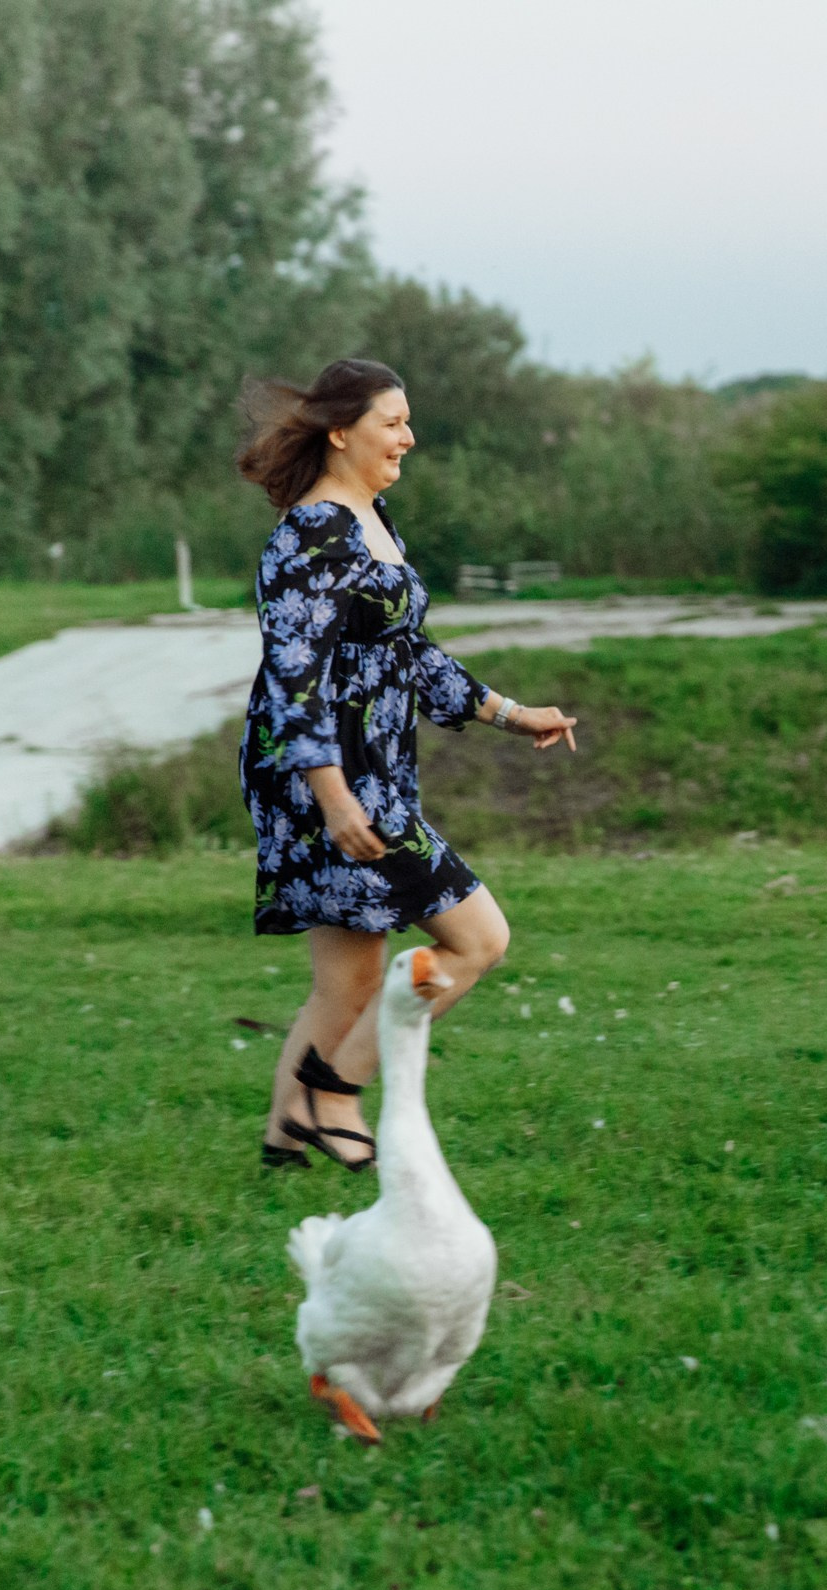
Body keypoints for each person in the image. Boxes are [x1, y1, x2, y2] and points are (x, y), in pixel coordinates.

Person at [235, 357, 578, 1170]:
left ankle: (284, 1151)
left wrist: (508, 713)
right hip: (326, 774)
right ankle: (338, 1089)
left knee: (348, 981)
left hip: (374, 768)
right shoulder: (313, 533)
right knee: (478, 937)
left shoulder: (372, 518)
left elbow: (408, 654)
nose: (409, 438)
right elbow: (295, 671)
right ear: (341, 431)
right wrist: (334, 797)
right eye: (394, 422)